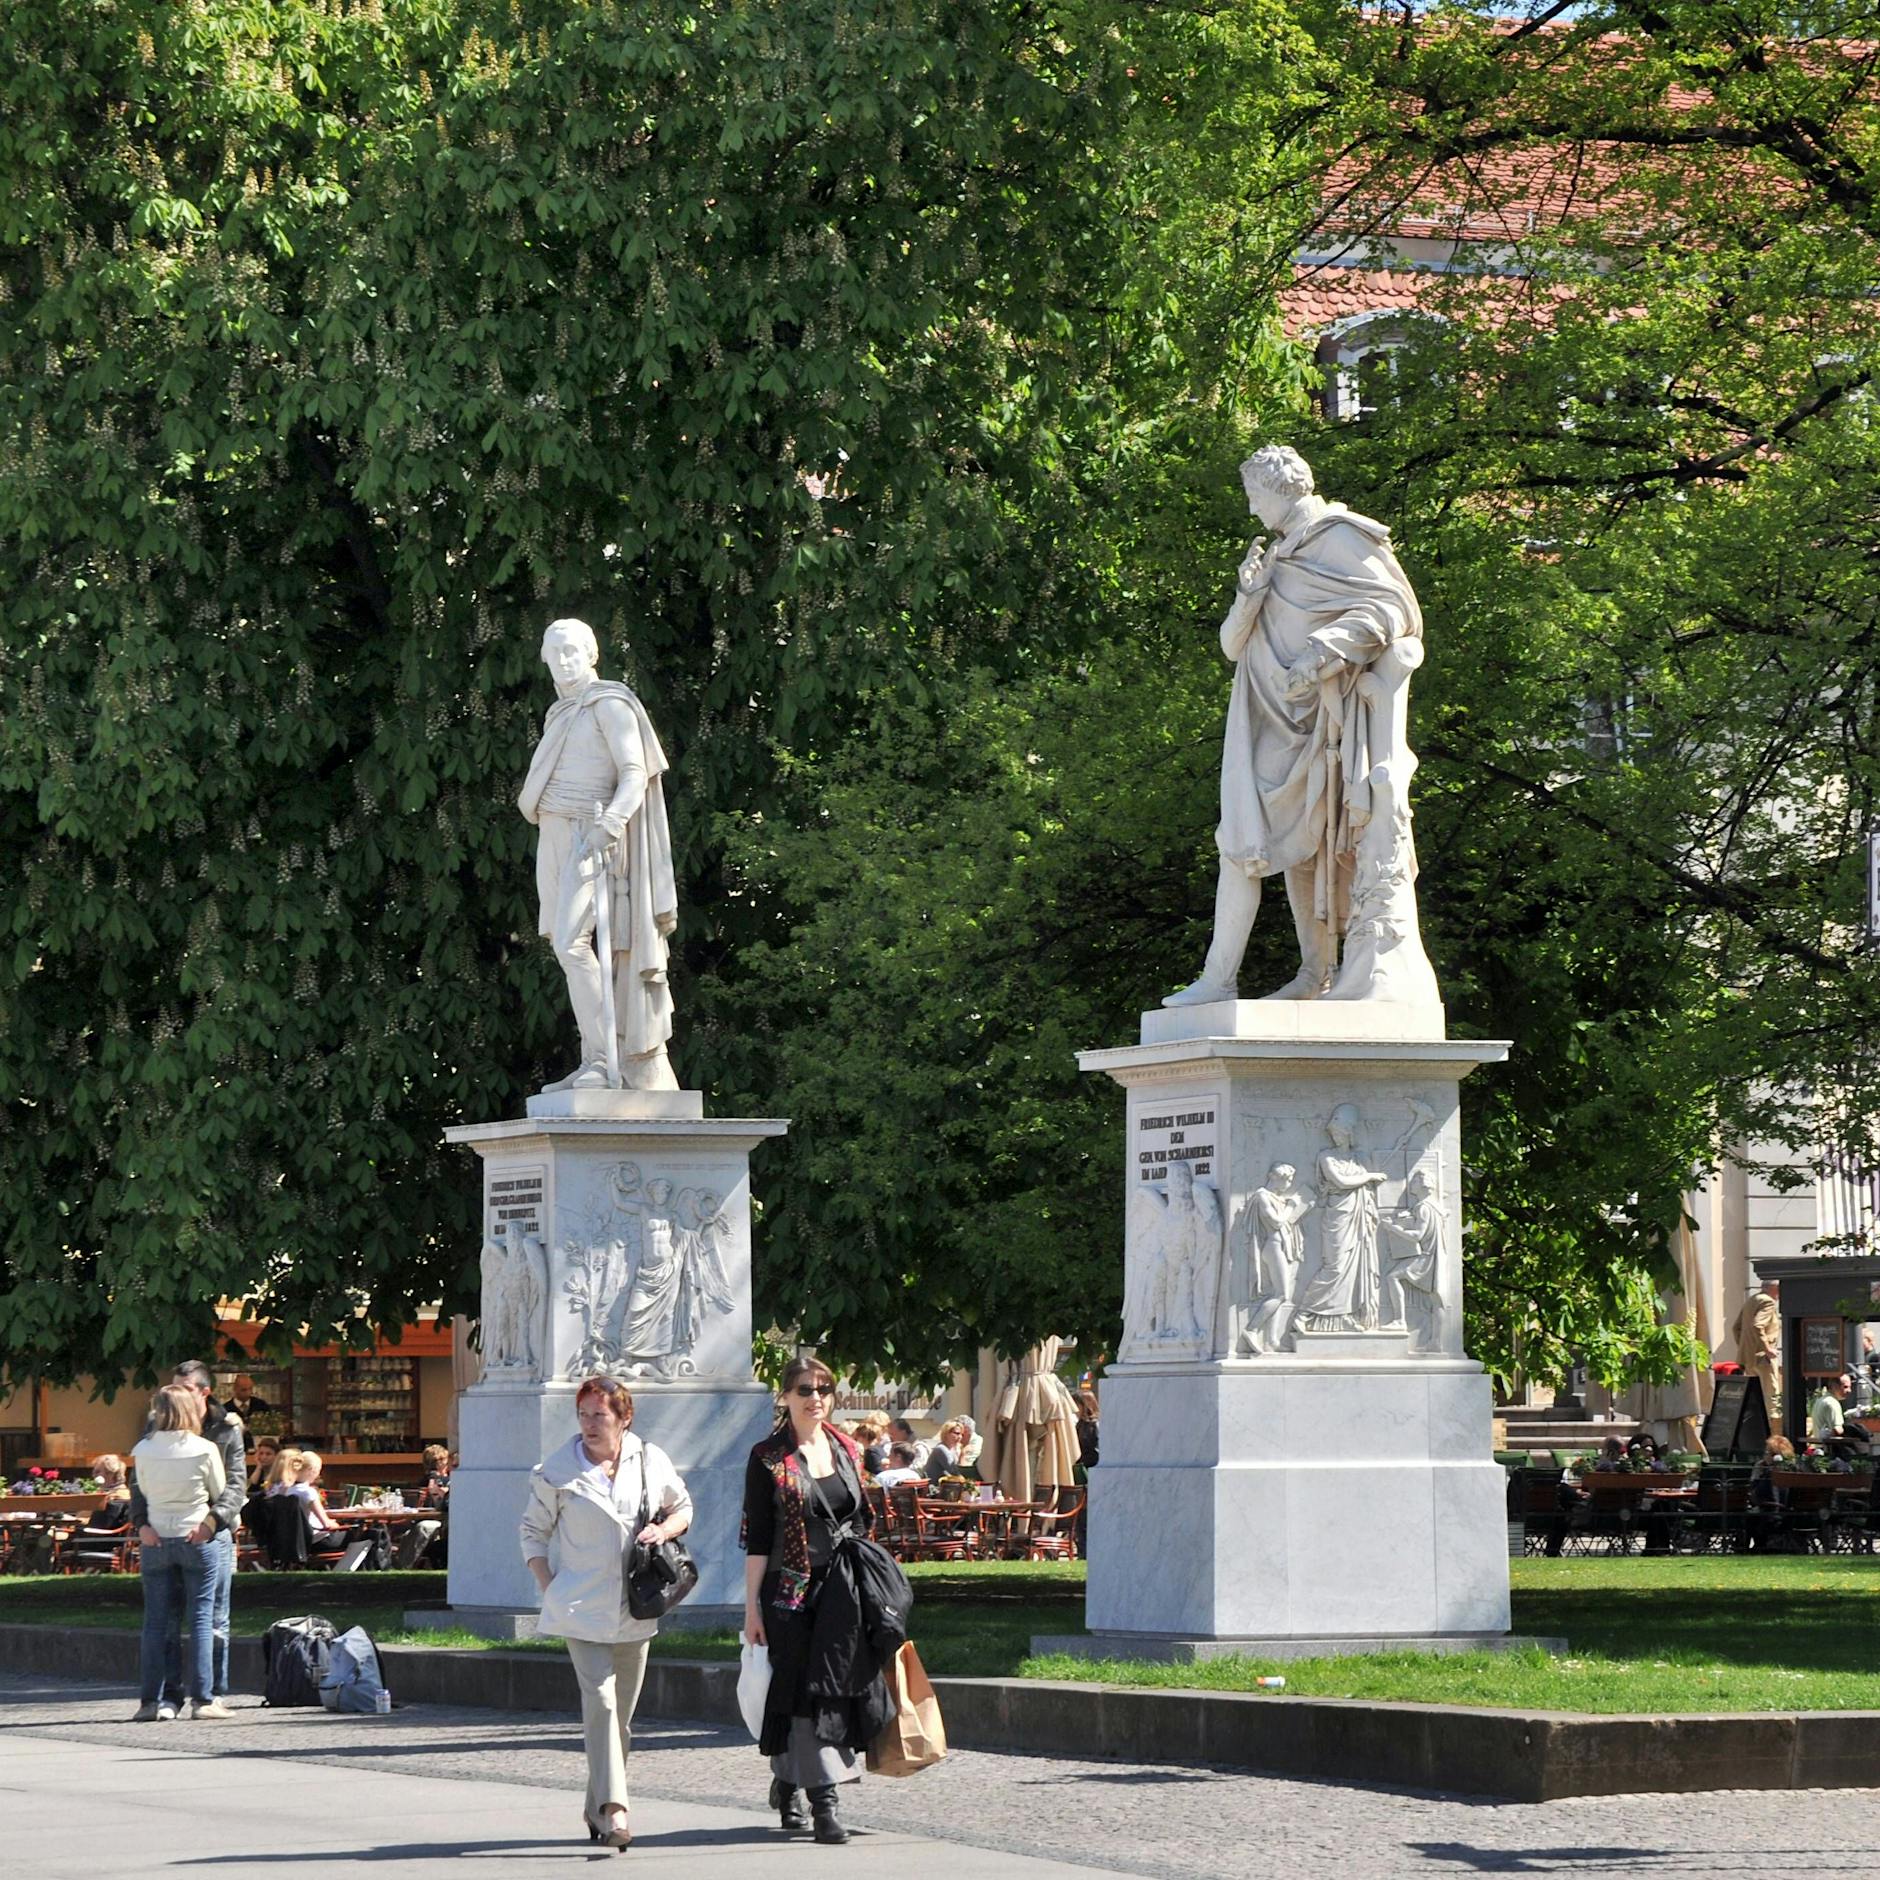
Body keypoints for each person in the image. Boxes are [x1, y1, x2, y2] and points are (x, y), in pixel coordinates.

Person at [1164, 444, 1438, 1009]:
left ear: (1280, 489)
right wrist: (1249, 594)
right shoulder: (1273, 554)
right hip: (1264, 717)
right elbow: (1231, 647)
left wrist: (1321, 651)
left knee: (1299, 846)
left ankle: (1310, 975)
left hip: (1320, 719)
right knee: (1244, 842)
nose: (1249, 509)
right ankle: (1233, 980)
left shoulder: (1339, 536)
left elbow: (1395, 612)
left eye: (1253, 495)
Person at [521, 1376, 692, 1853]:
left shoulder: (649, 1459)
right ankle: (617, 1810)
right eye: (583, 1415)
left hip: (637, 1605)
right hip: (580, 1606)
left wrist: (662, 1531)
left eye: (601, 1415)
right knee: (602, 1702)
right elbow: (532, 1534)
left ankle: (594, 1805)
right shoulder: (556, 1470)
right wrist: (549, 1586)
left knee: (621, 1720)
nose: (590, 1424)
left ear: (624, 1418)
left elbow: (683, 1509)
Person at [519, 616, 679, 1094]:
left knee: (575, 944)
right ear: (544, 658)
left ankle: (606, 1058)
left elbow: (635, 771)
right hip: (553, 833)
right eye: (556, 651)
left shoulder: (610, 705)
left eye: (574, 650)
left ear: (592, 655)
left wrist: (609, 826)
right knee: (568, 947)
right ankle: (595, 1057)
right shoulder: (559, 713)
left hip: (592, 831)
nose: (565, 660)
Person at [743, 1355, 896, 1847]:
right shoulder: (767, 1457)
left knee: (831, 1689)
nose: (816, 1398)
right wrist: (751, 1609)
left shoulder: (848, 1448)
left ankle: (789, 1781)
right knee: (803, 1691)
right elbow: (758, 1539)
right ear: (785, 1397)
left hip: (844, 1592)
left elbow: (862, 1520)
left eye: (824, 1389)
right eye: (804, 1389)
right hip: (788, 1595)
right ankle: (825, 1802)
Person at [129, 1359, 246, 1708]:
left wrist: (214, 1522)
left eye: (186, 1387)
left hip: (207, 1530)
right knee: (182, 1619)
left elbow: (235, 1486)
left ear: (204, 1392)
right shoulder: (159, 1430)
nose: (177, 1393)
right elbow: (137, 1487)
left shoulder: (225, 1429)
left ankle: (210, 1694)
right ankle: (183, 1696)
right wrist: (140, 1522)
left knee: (212, 1621)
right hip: (186, 1532)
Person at [268, 1450, 349, 1554]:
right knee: (365, 1535)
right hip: (316, 1541)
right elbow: (326, 1524)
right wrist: (339, 1525)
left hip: (292, 1542)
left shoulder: (284, 1491)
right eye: (319, 1471)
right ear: (312, 1470)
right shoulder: (308, 1492)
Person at [1750, 1434, 1797, 1551]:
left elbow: (1755, 1492)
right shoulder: (1795, 1469)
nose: (1764, 1455)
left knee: (1748, 1518)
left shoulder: (1767, 1472)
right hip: (1793, 1514)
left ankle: (1754, 1547)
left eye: (1767, 1452)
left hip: (1771, 1513)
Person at [87, 1454, 132, 1531]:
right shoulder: (103, 1493)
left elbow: (96, 1523)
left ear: (110, 1474)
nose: (93, 1475)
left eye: (97, 1472)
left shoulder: (115, 1497)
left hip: (93, 1537)